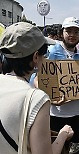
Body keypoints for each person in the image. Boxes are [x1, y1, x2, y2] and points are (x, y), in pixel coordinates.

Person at [0, 22, 74, 154]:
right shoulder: (36, 98)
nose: (44, 59)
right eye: (43, 55)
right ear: (35, 57)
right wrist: (63, 135)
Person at [47, 17, 79, 154]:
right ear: (61, 32)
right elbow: (42, 79)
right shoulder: (52, 52)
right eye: (68, 31)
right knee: (56, 146)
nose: (72, 35)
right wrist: (52, 99)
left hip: (78, 111)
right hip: (57, 113)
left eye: (76, 32)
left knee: (72, 145)